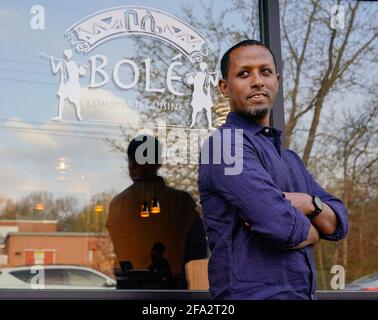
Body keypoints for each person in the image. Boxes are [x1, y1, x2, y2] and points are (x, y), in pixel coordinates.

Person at [198, 40, 349, 300]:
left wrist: (308, 203)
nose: (257, 81)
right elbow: (277, 224)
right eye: (244, 73)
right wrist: (314, 232)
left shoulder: (289, 159)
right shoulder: (224, 146)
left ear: (276, 81)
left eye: (265, 72)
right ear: (224, 87)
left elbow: (339, 223)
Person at [107, 135, 208, 285]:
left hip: (133, 288)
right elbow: (198, 249)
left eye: (140, 161)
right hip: (168, 290)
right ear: (159, 163)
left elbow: (118, 248)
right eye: (136, 162)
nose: (136, 167)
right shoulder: (181, 202)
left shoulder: (118, 204)